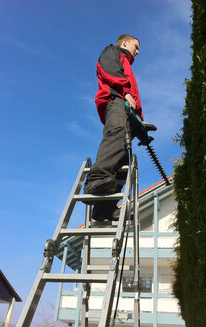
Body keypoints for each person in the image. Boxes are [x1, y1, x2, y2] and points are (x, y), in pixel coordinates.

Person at [83, 34, 143, 222]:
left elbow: (134, 99)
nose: (138, 51)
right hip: (115, 100)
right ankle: (96, 178)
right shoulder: (113, 51)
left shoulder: (126, 63)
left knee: (123, 161)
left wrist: (141, 125)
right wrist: (124, 92)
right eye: (136, 46)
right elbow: (109, 70)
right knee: (116, 133)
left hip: (125, 107)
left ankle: (104, 209)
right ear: (125, 42)